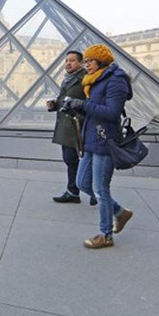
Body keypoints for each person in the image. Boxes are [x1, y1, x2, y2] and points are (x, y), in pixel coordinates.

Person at [62, 44, 133, 249]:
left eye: (89, 61)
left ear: (101, 61)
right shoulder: (93, 81)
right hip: (91, 138)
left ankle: (105, 235)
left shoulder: (115, 80)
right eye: (85, 62)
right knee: (83, 183)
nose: (86, 65)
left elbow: (112, 113)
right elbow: (94, 112)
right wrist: (75, 109)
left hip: (105, 140)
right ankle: (119, 212)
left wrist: (83, 104)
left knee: (101, 189)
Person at [46, 50, 96, 206]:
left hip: (78, 125)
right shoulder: (67, 79)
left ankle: (92, 191)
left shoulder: (85, 79)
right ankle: (73, 192)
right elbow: (65, 99)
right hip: (67, 126)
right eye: (66, 60)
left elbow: (91, 102)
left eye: (72, 60)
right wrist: (55, 104)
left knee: (82, 160)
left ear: (80, 63)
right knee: (70, 160)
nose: (68, 63)